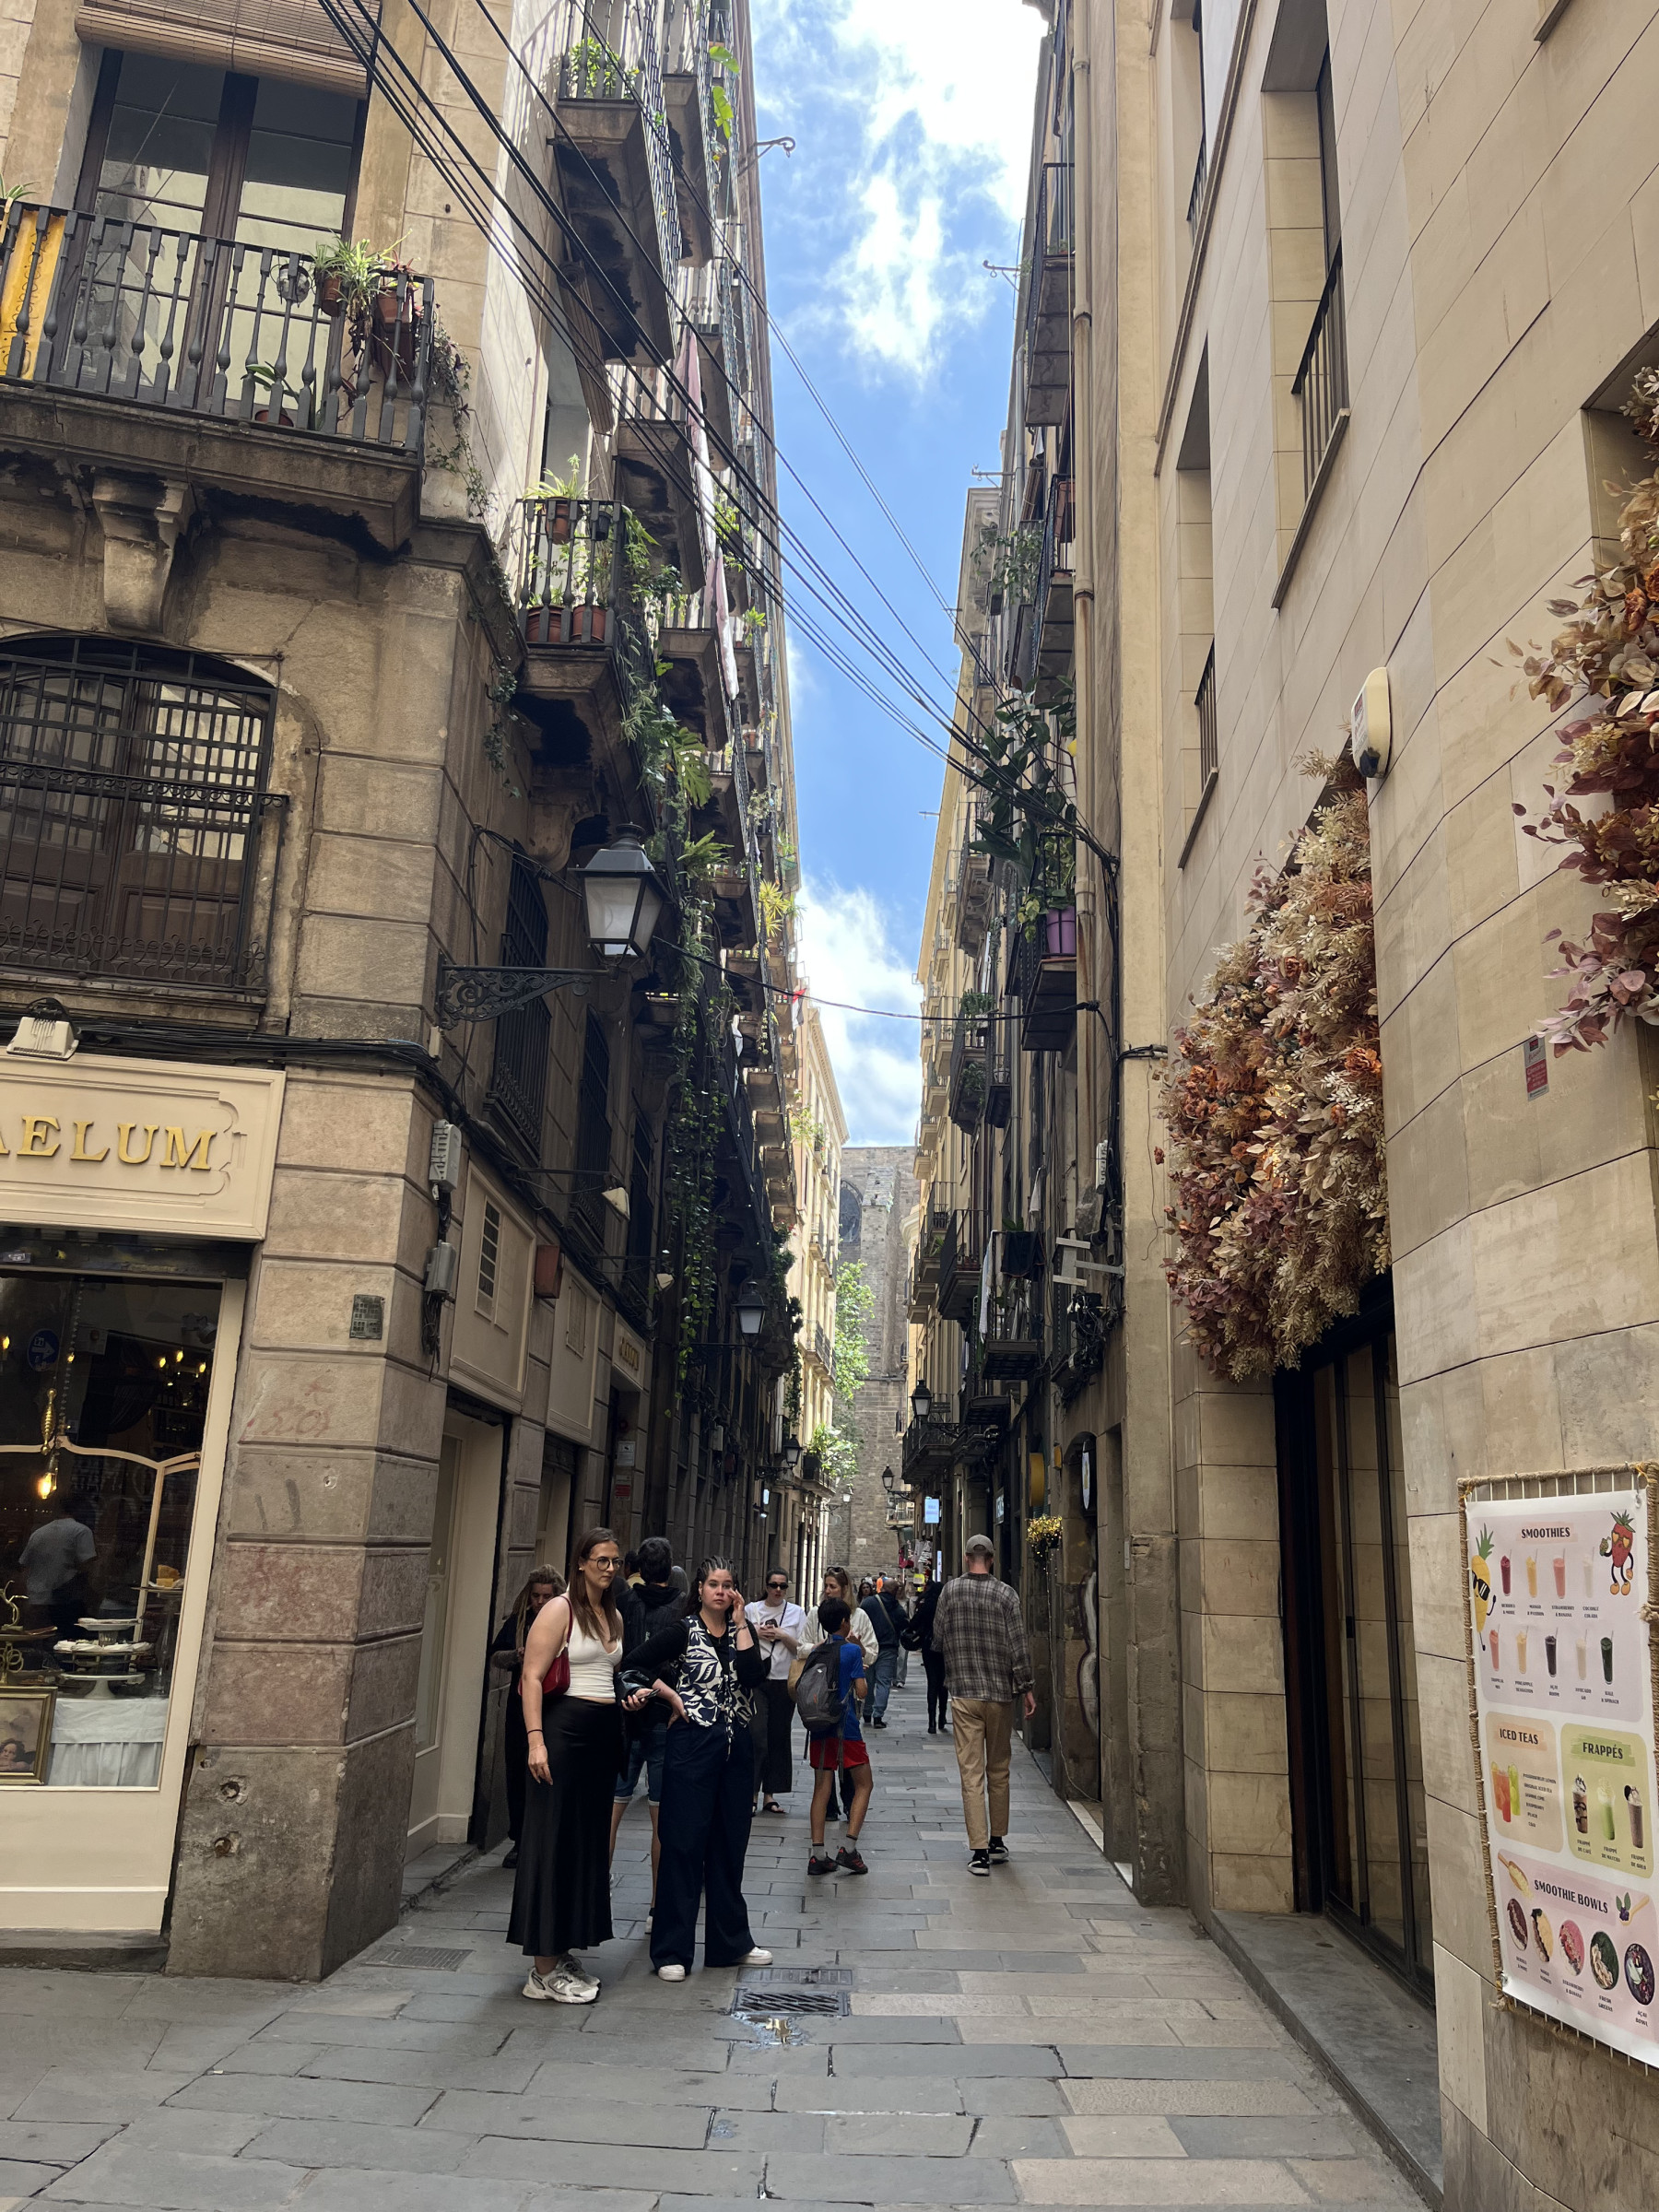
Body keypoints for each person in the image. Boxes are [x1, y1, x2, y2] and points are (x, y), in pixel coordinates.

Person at [623, 1556, 774, 1982]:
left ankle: (731, 1944)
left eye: (728, 1585)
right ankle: (672, 1950)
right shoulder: (683, 1631)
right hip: (692, 1746)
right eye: (714, 1584)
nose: (721, 1592)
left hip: (735, 1749)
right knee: (683, 1845)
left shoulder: (739, 1634)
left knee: (729, 1846)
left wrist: (743, 1623)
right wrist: (670, 1697)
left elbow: (750, 1679)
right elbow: (632, 1665)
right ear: (700, 1590)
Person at [508, 1526, 625, 2002]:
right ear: (580, 1562)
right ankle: (541, 1967)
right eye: (600, 1559)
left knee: (584, 1841)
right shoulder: (560, 1608)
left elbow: (608, 1673)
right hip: (563, 1732)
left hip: (601, 1736)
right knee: (551, 1838)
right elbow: (531, 1677)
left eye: (615, 1561)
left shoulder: (612, 1613)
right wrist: (535, 1741)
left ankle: (562, 1949)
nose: (608, 1568)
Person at [933, 1534, 1035, 1876]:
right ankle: (997, 1840)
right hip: (1000, 1694)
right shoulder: (1007, 1595)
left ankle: (978, 1852)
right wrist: (1027, 1687)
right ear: (991, 1559)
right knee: (999, 1769)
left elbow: (938, 1636)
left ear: (966, 1558)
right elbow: (1018, 1645)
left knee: (971, 1773)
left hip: (964, 1693)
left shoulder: (950, 1591)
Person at [610, 1535, 682, 1913]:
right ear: (669, 1570)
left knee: (612, 1808)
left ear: (635, 1567)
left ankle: (596, 1894)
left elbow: (615, 1660)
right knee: (660, 1814)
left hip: (624, 1714)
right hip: (662, 1718)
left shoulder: (622, 1603)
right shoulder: (680, 1612)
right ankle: (658, 1904)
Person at [488, 1565, 566, 1869]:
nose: (540, 1602)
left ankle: (547, 1839)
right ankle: (520, 1840)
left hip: (556, 1703)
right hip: (520, 1705)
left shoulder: (566, 1620)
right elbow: (495, 1654)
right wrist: (516, 1657)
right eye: (536, 1596)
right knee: (518, 1770)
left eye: (547, 1596)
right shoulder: (521, 1621)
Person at [800, 1567, 877, 1821]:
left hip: (845, 1703)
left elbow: (872, 1652)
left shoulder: (860, 1616)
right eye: (826, 1586)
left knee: (839, 1762)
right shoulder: (816, 1613)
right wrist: (826, 1649)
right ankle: (834, 1815)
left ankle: (837, 1817)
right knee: (832, 1766)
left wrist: (856, 1647)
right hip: (825, 1702)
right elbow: (803, 1646)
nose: (828, 1590)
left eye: (832, 1586)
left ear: (844, 1589)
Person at [803, 1597, 872, 1877]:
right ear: (845, 1623)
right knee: (864, 1784)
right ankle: (849, 1849)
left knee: (821, 1788)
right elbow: (862, 1691)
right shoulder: (851, 1651)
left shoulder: (816, 1652)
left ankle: (818, 1855)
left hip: (820, 1728)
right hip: (847, 1728)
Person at [746, 1570, 806, 1814]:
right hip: (758, 1680)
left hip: (783, 1681)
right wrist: (755, 1633)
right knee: (757, 1735)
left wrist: (782, 1635)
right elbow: (737, 1637)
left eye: (782, 1586)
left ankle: (770, 1794)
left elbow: (802, 1648)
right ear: (766, 1586)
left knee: (778, 1737)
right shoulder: (751, 1610)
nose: (778, 1590)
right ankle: (751, 1794)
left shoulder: (797, 1613)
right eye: (773, 1585)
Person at [18, 1497, 96, 1642]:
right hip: (65, 1604)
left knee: (35, 1645)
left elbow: (25, 1567)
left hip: (36, 1600)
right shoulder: (81, 1531)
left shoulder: (39, 1533)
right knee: (67, 1647)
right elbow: (88, 1566)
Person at [904, 1574, 948, 1733]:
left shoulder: (927, 1606)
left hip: (929, 1647)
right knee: (944, 1683)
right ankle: (942, 1717)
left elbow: (913, 1623)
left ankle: (931, 1723)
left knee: (932, 1682)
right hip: (945, 1648)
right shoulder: (947, 1607)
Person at [860, 1578, 901, 1729]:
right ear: (895, 1591)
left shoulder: (868, 1603)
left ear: (881, 1587)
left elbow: (860, 1622)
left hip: (869, 1648)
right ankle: (878, 1716)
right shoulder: (897, 1606)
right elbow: (904, 1624)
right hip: (888, 1648)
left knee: (869, 1682)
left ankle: (866, 1712)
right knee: (883, 1683)